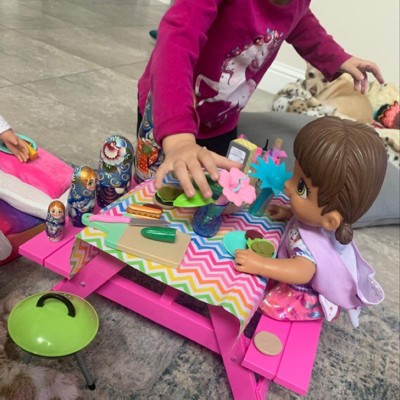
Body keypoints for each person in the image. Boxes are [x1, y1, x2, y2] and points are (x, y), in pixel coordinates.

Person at [135, 0, 385, 199]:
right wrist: (179, 139)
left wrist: (338, 58)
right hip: (168, 116)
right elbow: (175, 42)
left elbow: (302, 24)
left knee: (208, 193)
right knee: (154, 190)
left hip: (221, 121)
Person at [235, 116, 387, 326]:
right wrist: (290, 212)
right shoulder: (319, 220)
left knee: (258, 302)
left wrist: (260, 264)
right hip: (296, 258)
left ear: (330, 220)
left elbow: (302, 271)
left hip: (301, 292)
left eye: (301, 188)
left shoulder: (311, 247)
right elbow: (307, 216)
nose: (288, 185)